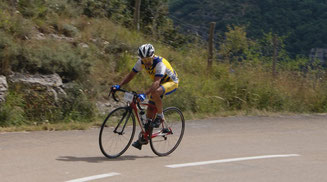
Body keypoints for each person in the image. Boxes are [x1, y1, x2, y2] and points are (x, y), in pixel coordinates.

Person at [111, 43, 179, 150]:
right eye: (144, 59)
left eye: (148, 59)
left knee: (155, 92)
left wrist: (144, 94)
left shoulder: (160, 64)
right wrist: (119, 85)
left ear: (153, 56)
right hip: (159, 83)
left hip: (171, 82)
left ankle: (160, 116)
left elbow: (156, 83)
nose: (146, 62)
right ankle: (144, 137)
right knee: (149, 112)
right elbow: (131, 75)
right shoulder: (141, 62)